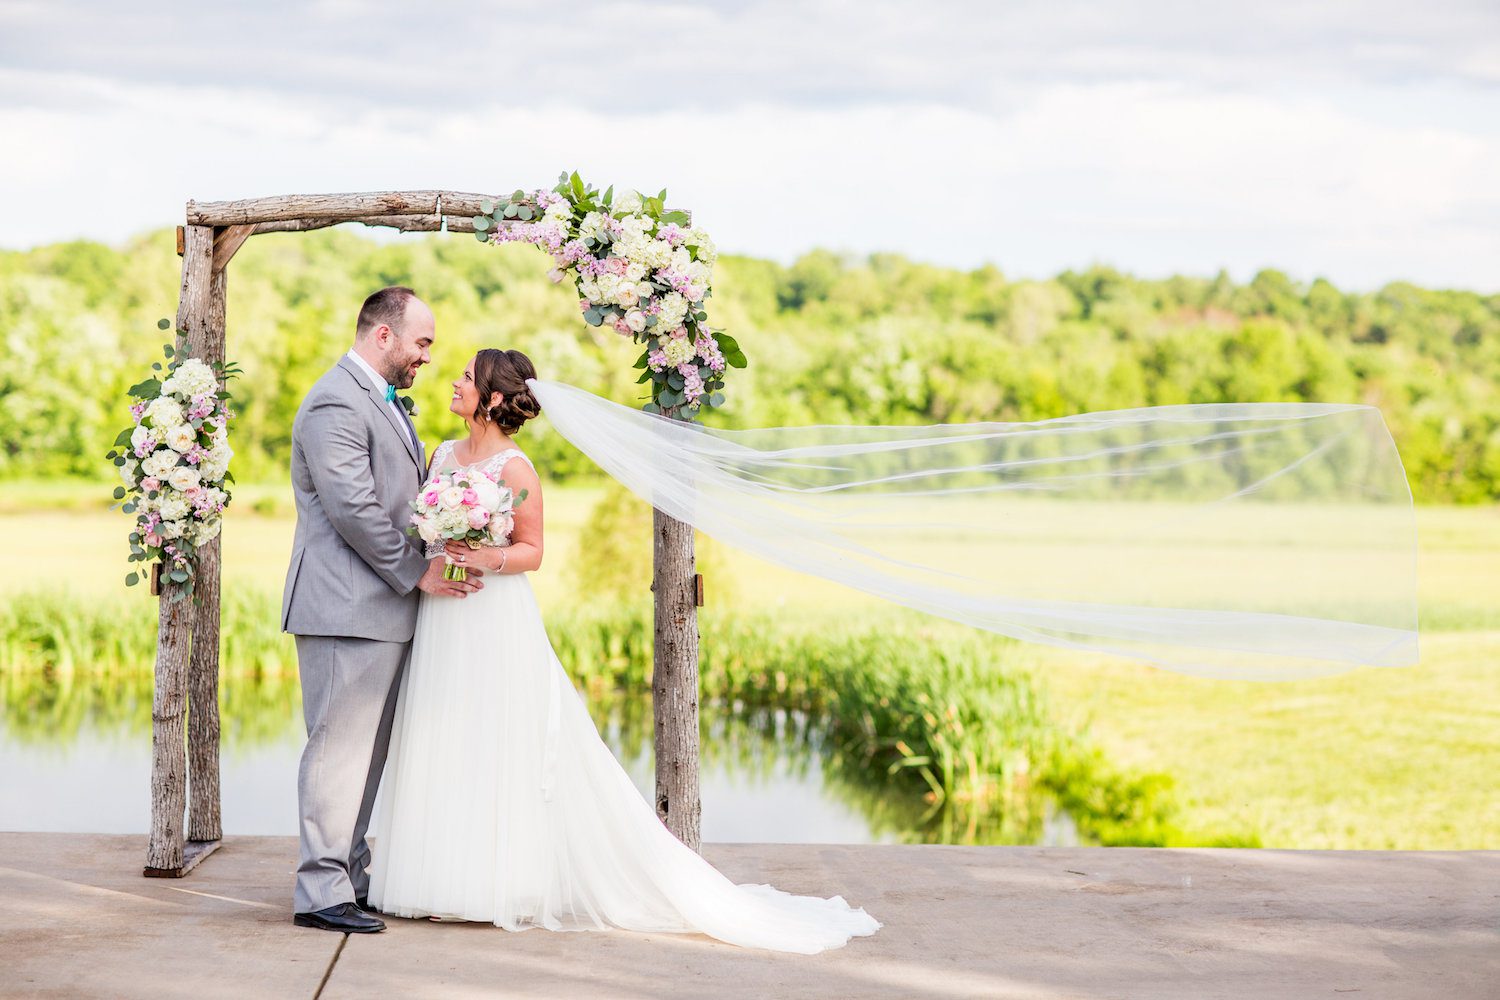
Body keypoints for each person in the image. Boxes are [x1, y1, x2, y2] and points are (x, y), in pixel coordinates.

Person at [367, 347, 881, 954]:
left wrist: (485, 556)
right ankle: (437, 873)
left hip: (493, 614)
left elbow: (533, 550)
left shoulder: (515, 468)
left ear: (495, 399)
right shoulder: (442, 454)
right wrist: (438, 548)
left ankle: (495, 883)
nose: (453, 383)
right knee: (443, 731)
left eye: (465, 379)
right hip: (443, 611)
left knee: (500, 735)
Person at [282, 287, 483, 934]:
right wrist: (414, 569)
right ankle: (319, 892)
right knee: (337, 752)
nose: (428, 356)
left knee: (366, 757)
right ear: (384, 336)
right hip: (345, 606)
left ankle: (350, 877)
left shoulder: (383, 400)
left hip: (379, 608)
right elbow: (352, 509)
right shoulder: (335, 401)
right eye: (422, 342)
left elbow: (399, 500)